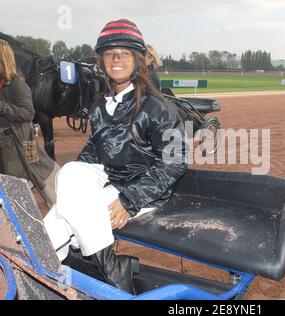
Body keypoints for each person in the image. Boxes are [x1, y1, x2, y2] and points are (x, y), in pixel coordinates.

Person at [43, 19, 187, 294]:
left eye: (124, 53)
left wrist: (128, 200)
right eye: (110, 53)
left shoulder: (159, 108)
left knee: (60, 219)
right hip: (111, 184)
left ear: (137, 60)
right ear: (102, 62)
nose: (116, 58)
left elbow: (174, 162)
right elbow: (94, 152)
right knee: (70, 174)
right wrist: (73, 188)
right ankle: (105, 268)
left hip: (145, 194)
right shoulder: (99, 105)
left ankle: (88, 272)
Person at [0, 39, 59, 208]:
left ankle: (59, 208)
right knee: (20, 180)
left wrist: (2, 107)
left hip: (21, 143)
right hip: (7, 145)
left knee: (36, 176)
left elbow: (28, 113)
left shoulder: (18, 84)